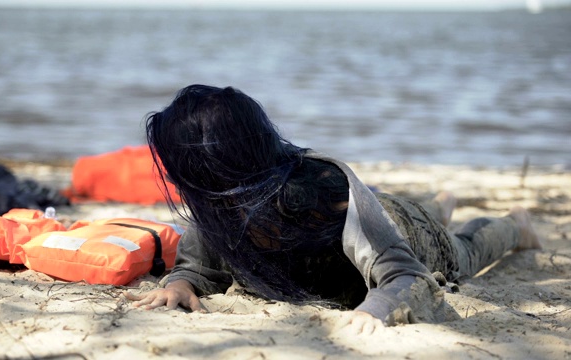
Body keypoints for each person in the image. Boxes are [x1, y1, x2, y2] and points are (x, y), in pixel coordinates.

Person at [125, 85, 542, 334]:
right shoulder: (217, 202)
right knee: (423, 212)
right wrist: (182, 283)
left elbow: (404, 274)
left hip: (400, 231)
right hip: (379, 215)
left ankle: (514, 223)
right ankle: (439, 203)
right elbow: (202, 266)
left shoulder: (328, 193)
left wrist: (375, 308)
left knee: (464, 252)